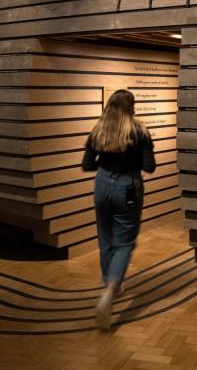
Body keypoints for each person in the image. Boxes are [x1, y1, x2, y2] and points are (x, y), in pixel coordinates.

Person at [82, 89, 156, 329]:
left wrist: (106, 164)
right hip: (128, 187)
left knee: (105, 238)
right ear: (131, 107)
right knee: (124, 242)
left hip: (102, 184)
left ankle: (108, 282)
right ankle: (112, 290)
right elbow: (149, 166)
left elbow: (86, 165)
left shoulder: (98, 129)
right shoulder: (140, 131)